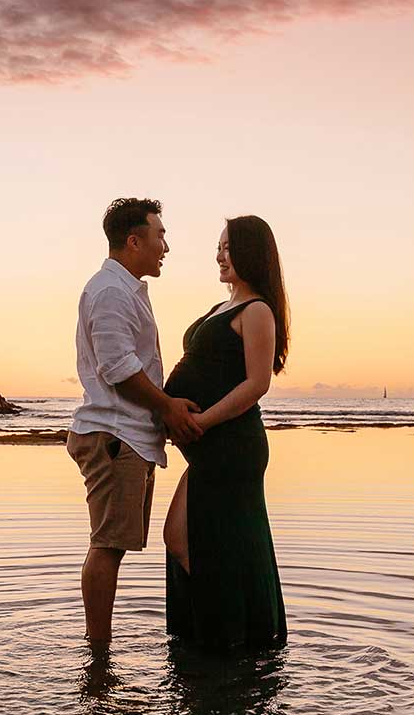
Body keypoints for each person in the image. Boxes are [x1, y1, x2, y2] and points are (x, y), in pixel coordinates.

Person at [69, 198, 205, 646]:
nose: (165, 245)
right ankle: (98, 653)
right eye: (159, 235)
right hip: (114, 435)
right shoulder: (110, 291)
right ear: (133, 241)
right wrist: (166, 407)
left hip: (125, 434)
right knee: (107, 544)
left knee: (111, 544)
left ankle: (98, 647)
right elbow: (118, 367)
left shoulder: (123, 289)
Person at [162, 215, 289, 650]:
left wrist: (202, 420)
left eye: (228, 247)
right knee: (203, 538)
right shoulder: (221, 308)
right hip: (210, 446)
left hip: (232, 446)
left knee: (185, 536)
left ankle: (232, 634)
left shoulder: (257, 310)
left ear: (251, 253)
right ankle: (222, 631)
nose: (219, 255)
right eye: (218, 247)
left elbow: (257, 384)